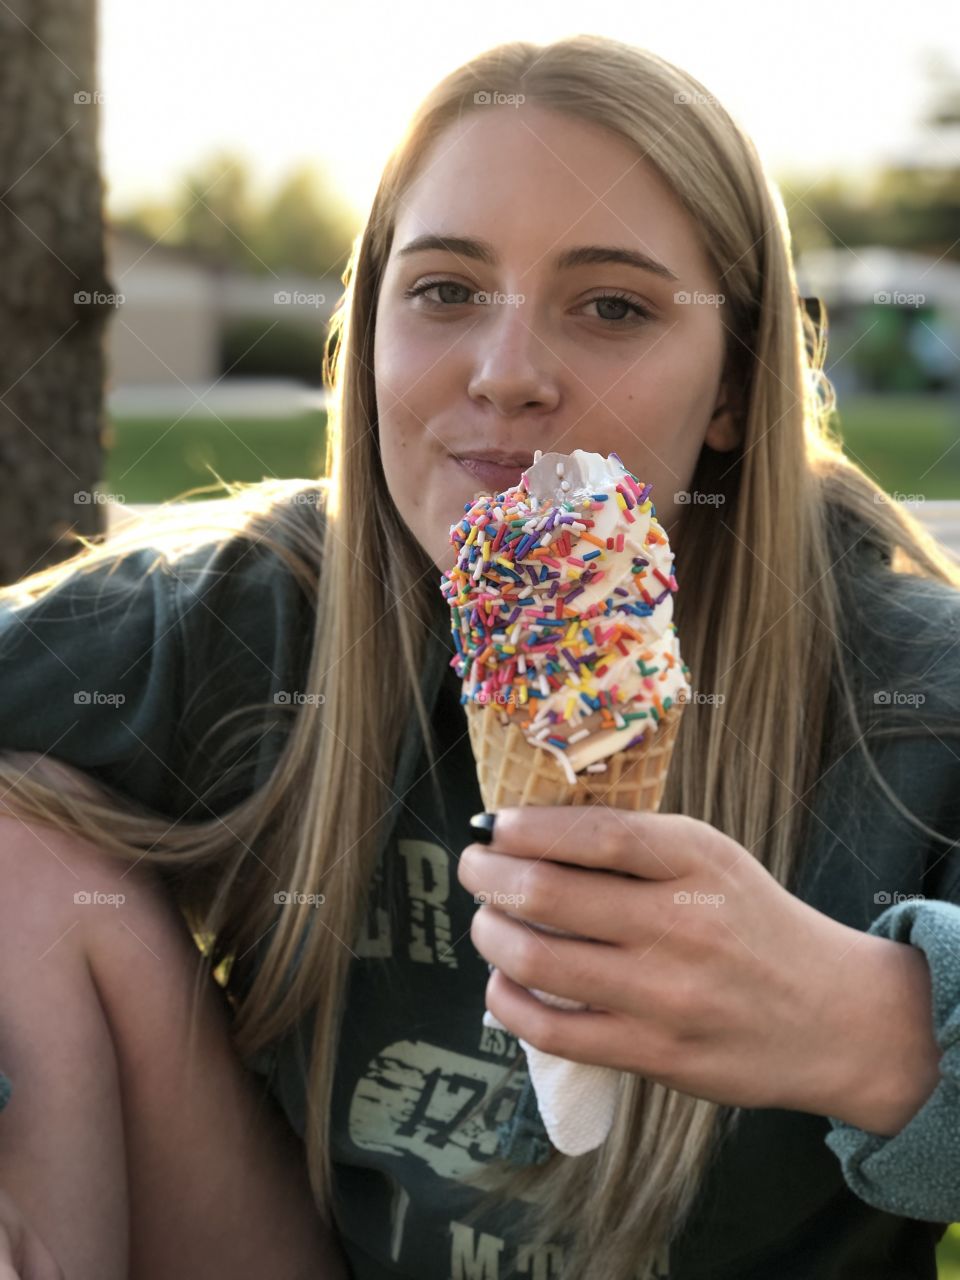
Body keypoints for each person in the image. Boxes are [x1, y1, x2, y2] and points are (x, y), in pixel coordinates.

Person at [0, 32, 958, 1280]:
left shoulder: (908, 699)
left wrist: (883, 1032)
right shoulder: (271, 612)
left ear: (734, 384)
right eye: (447, 290)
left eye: (612, 306)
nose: (507, 376)